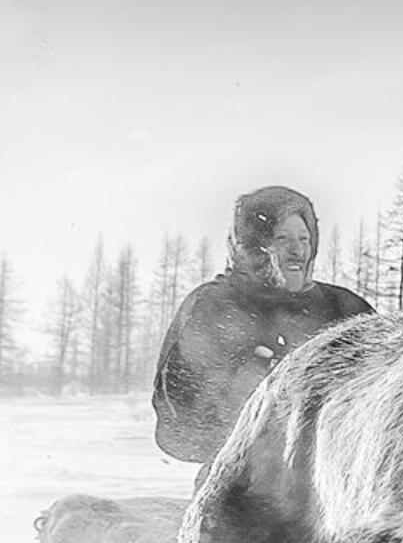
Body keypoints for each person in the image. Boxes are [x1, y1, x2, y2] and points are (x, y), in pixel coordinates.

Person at [151, 184, 376, 466]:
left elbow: (380, 389)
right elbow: (178, 404)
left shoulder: (343, 309)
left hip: (326, 473)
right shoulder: (214, 306)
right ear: (255, 246)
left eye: (304, 239)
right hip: (239, 472)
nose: (297, 250)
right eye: (282, 238)